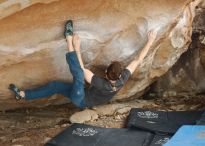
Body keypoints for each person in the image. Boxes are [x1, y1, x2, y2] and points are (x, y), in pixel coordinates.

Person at [9, 20, 157, 109]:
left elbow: (80, 70)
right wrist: (150, 41)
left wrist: (76, 47)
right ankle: (22, 95)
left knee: (79, 75)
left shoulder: (101, 83)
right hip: (84, 95)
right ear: (119, 75)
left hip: (81, 99)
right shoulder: (123, 79)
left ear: (106, 72)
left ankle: (67, 38)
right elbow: (138, 60)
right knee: (54, 86)